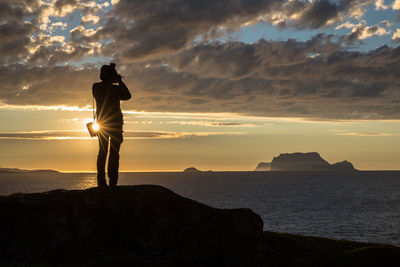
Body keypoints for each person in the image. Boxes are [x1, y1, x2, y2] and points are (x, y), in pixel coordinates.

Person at [92, 63, 131, 188]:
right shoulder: (114, 89)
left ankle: (101, 182)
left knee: (102, 152)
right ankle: (112, 182)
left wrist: (115, 78)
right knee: (114, 153)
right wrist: (119, 81)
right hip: (115, 125)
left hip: (102, 124)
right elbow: (127, 95)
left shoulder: (96, 87)